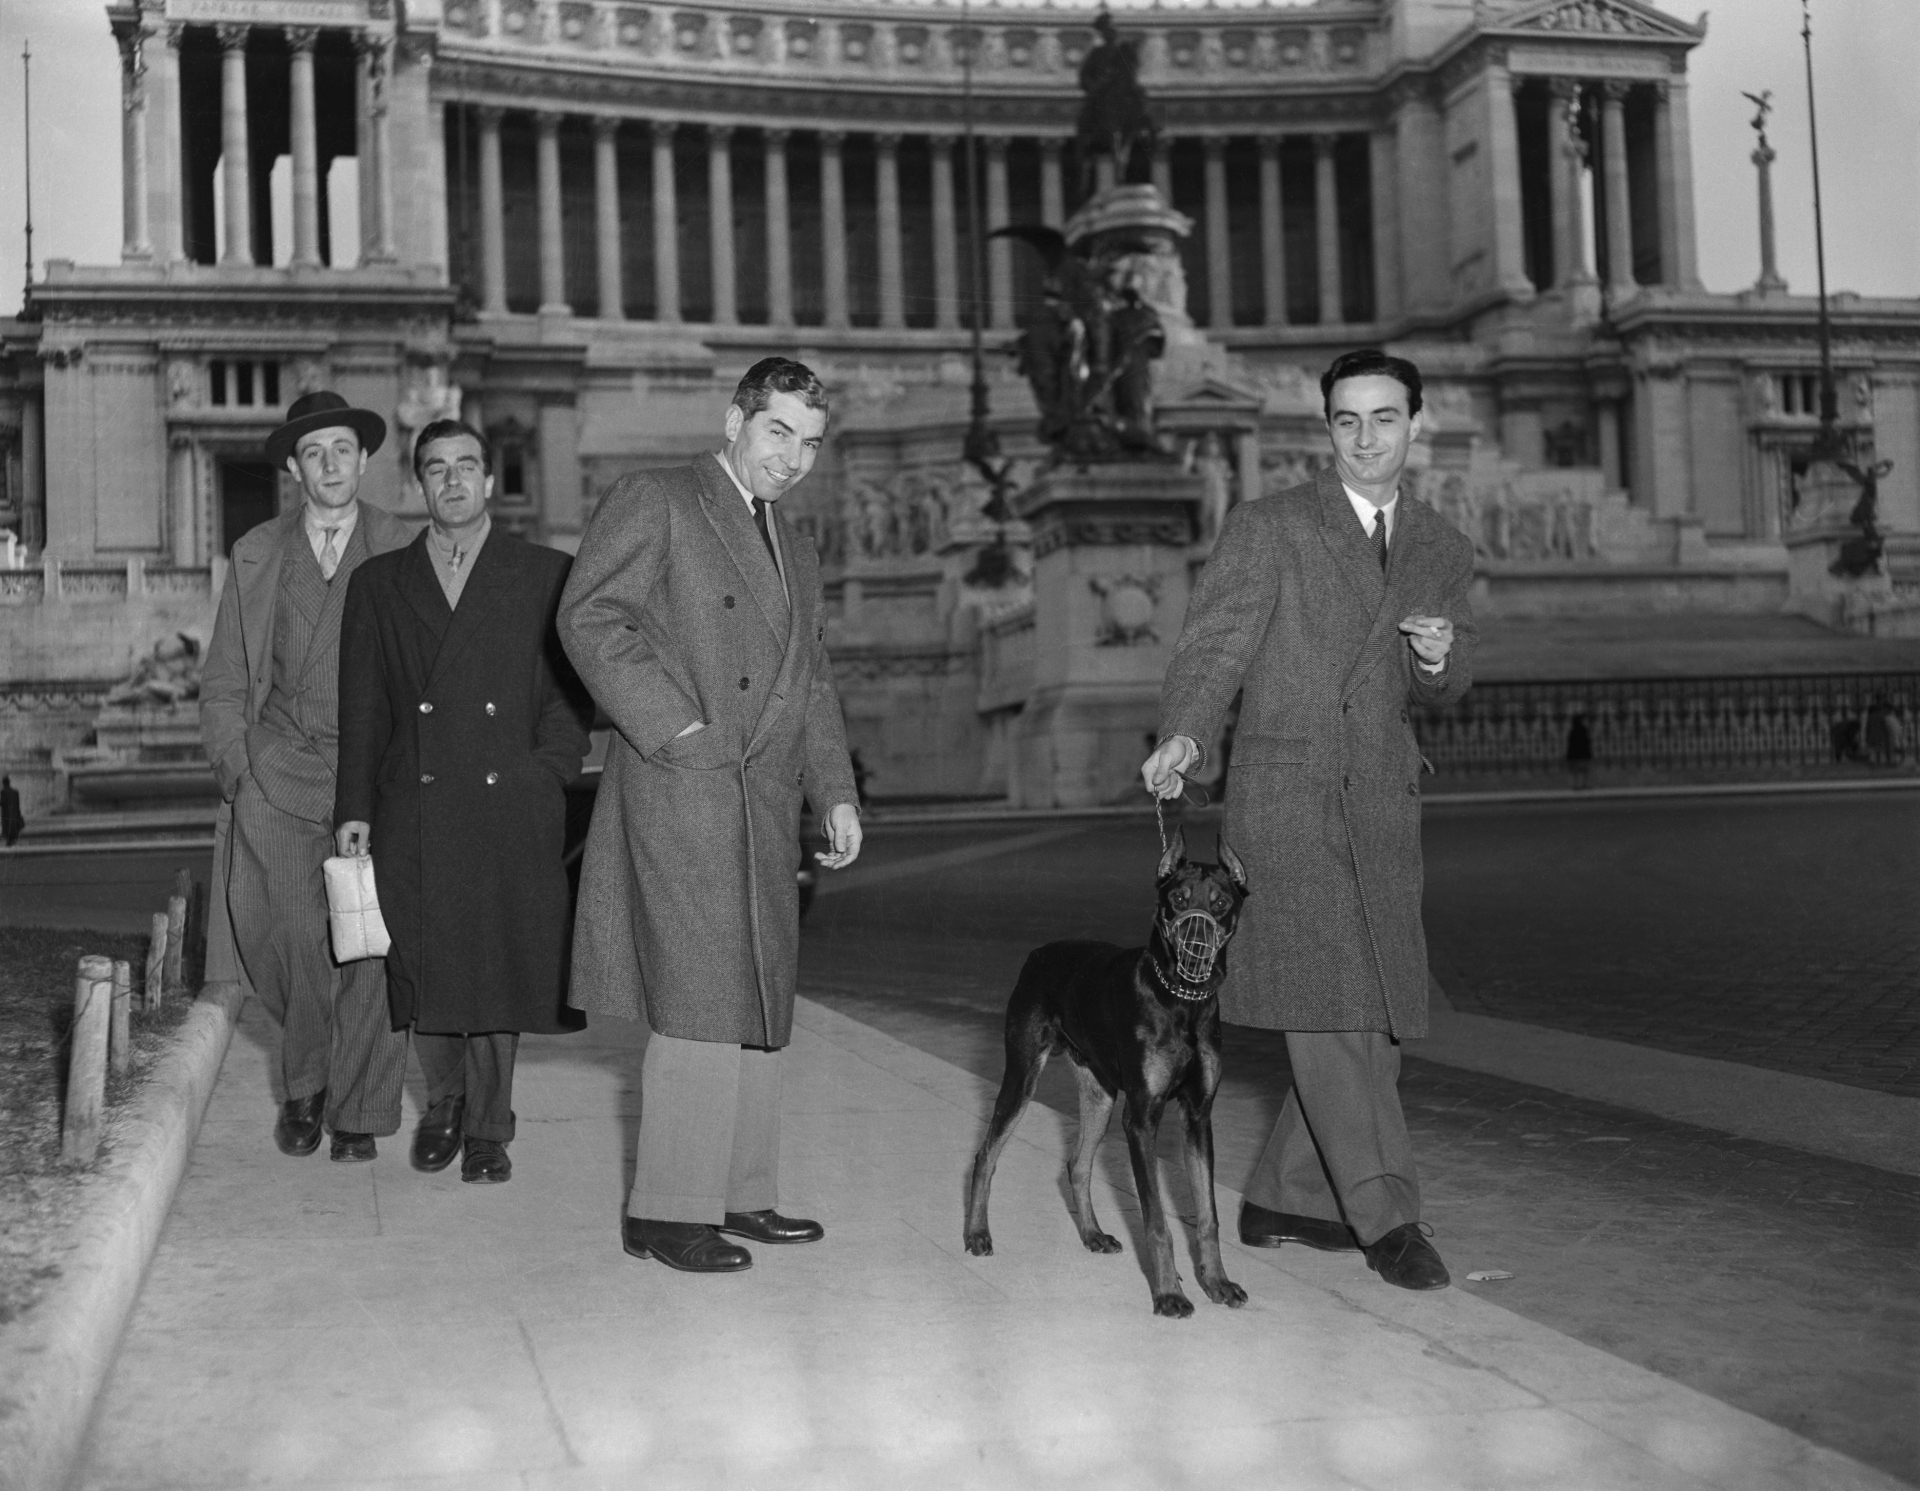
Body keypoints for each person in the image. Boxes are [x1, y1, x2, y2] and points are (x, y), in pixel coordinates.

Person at [1140, 349, 1476, 1291]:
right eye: (1345, 421)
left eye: (1383, 418)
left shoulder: (1443, 545)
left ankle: (1289, 1195)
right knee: (1332, 1014)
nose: (1366, 438)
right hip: (1286, 801)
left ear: (1418, 422)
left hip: (1380, 800)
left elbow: (1438, 686)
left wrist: (1441, 661)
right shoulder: (1271, 526)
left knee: (1376, 1018)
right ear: (1325, 429)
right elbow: (1215, 645)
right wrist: (1186, 735)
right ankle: (1387, 1214)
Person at [560, 357, 863, 1274]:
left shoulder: (794, 544)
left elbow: (807, 683)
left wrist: (836, 790)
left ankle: (742, 1191)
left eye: (809, 444)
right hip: (683, 785)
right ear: (735, 419)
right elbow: (588, 616)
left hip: (763, 800)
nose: (793, 459)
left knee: (760, 992)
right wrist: (673, 725)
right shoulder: (657, 497)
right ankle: (665, 1210)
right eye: (778, 433)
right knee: (698, 996)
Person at [334, 420, 592, 1185]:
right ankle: (443, 1100)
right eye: (436, 468)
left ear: (488, 480)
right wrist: (354, 807)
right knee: (421, 957)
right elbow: (364, 710)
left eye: (467, 466)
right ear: (419, 484)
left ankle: (489, 1125)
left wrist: (544, 773)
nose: (452, 481)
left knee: (496, 964)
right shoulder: (378, 584)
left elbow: (565, 701)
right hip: (411, 802)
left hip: (505, 799)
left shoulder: (547, 573)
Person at [200, 390, 413, 1163]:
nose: (331, 465)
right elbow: (225, 677)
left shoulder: (401, 545)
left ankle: (358, 1108)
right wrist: (237, 766)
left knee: (372, 945)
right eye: (314, 453)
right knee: (287, 937)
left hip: (378, 777)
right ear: (294, 467)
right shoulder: (258, 550)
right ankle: (308, 1078)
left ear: (364, 458)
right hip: (279, 771)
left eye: (343, 450)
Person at [1, 775, 23, 846]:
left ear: (3, 783)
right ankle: (11, 841)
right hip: (14, 814)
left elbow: (3, 802)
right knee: (13, 828)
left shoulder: (3, 792)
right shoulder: (15, 792)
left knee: (7, 829)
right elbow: (18, 804)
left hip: (6, 814)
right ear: (9, 783)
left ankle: (9, 842)